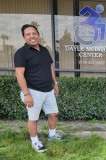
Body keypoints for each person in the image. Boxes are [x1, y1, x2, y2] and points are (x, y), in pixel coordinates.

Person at [14, 24, 61, 153]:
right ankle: (35, 142)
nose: (32, 36)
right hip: (33, 91)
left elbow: (50, 68)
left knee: (53, 113)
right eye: (28, 34)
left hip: (48, 90)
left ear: (38, 35)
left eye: (34, 33)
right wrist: (26, 94)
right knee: (33, 118)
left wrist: (55, 83)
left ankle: (52, 135)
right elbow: (19, 74)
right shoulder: (21, 53)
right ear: (24, 38)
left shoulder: (45, 50)